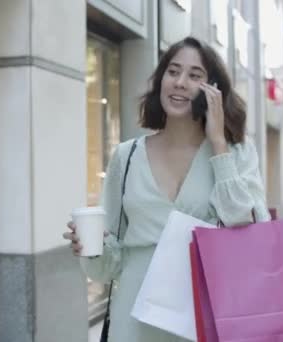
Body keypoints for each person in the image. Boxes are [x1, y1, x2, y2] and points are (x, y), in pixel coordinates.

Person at [63, 36, 270, 342]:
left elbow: (249, 225)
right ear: (161, 80)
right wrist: (91, 248)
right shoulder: (127, 156)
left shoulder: (236, 153)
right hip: (132, 322)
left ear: (213, 90)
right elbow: (110, 266)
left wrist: (218, 144)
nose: (180, 82)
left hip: (206, 321)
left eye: (194, 75)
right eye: (173, 72)